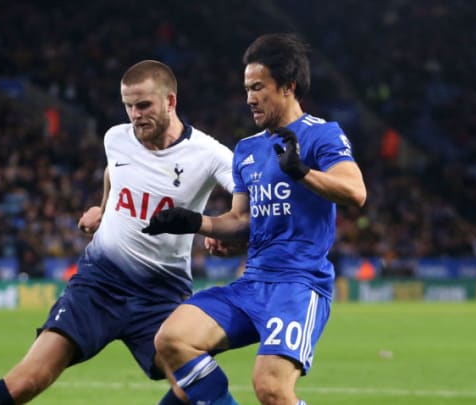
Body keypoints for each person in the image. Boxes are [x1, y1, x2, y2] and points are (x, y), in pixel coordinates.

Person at [0, 59, 235, 405]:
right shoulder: (116, 138)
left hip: (161, 293)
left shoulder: (210, 155)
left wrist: (220, 227)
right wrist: (104, 209)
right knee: (27, 379)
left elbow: (249, 202)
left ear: (170, 101)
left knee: (196, 385)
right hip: (99, 282)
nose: (135, 115)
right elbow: (114, 171)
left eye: (144, 105)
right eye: (128, 106)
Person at [142, 33, 367, 405]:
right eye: (247, 88)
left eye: (258, 87)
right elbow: (242, 219)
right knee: (172, 339)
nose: (249, 97)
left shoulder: (322, 135)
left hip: (298, 283)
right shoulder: (247, 150)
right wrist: (195, 222)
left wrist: (302, 172)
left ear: (288, 87)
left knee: (272, 390)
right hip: (252, 282)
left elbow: (355, 191)